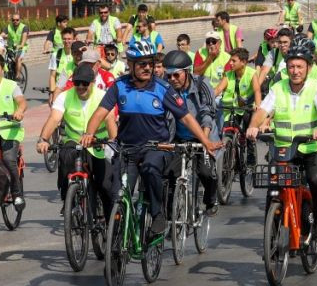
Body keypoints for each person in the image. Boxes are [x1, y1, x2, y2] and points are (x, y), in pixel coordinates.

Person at [83, 40, 220, 237]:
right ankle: (117, 238)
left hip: (156, 148)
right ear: (130, 65)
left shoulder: (163, 88)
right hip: (127, 149)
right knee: (117, 193)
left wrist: (205, 142)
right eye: (142, 64)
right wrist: (89, 133)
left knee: (149, 170)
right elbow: (100, 113)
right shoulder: (119, 86)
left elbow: (187, 118)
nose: (148, 67)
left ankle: (157, 215)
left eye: (150, 63)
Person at [247, 40, 317, 238]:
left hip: (312, 148)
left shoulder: (316, 86)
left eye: (299, 66)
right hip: (284, 148)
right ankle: (273, 235)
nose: (295, 71)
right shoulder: (278, 88)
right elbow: (263, 110)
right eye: (291, 66)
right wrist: (253, 126)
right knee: (274, 188)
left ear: (308, 68)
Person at [39, 63, 116, 217]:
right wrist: (43, 139)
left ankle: (112, 224)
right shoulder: (65, 96)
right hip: (73, 142)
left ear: (92, 82)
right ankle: (69, 198)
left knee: (106, 185)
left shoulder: (102, 96)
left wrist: (113, 141)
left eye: (85, 83)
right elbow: (54, 119)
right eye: (77, 83)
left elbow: (110, 121)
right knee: (65, 158)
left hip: (98, 143)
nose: (80, 87)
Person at [161, 49, 222, 215]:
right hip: (179, 138)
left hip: (203, 136)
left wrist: (205, 140)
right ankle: (171, 218)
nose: (172, 79)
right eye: (168, 76)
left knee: (206, 173)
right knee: (169, 175)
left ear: (187, 72)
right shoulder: (165, 88)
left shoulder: (202, 83)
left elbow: (207, 113)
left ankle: (210, 200)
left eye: (176, 75)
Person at [0, 52, 28, 208]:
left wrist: (19, 111)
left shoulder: (11, 85)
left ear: (2, 69)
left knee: (8, 160)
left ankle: (17, 193)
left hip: (10, 129)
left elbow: (21, 102)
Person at [4, 13, 29, 80]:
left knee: (18, 59)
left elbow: (24, 37)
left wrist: (21, 45)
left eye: (17, 20)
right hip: (10, 47)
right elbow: (2, 35)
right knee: (6, 60)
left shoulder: (24, 27)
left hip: (21, 47)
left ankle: (18, 76)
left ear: (20, 20)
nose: (15, 21)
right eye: (13, 20)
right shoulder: (9, 27)